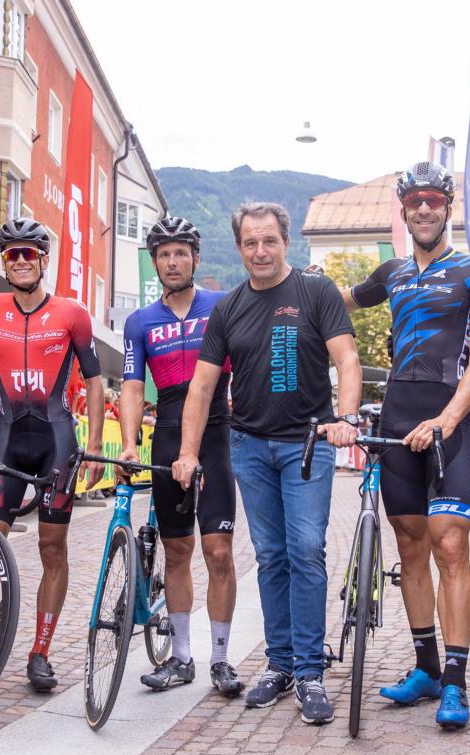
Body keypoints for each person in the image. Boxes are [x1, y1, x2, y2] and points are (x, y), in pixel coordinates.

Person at [173, 201, 361, 726]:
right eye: (250, 242)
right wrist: (188, 452)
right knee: (272, 557)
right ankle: (280, 665)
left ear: (286, 243)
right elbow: (201, 387)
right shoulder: (229, 309)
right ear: (239, 248)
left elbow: (346, 358)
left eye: (269, 241)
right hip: (250, 448)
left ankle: (309, 671)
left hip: (307, 443)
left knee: (306, 550)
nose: (260, 251)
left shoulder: (316, 292)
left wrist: (347, 416)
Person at [341, 162, 470, 729]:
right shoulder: (392, 272)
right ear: (404, 211)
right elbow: (337, 303)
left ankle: (456, 681)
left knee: (449, 546)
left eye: (434, 200)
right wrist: (292, 286)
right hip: (397, 418)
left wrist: (449, 419)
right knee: (409, 547)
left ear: (447, 207)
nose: (425, 209)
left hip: (447, 424)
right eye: (415, 202)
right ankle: (427, 668)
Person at [0, 216, 105, 693]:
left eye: (28, 254)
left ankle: (40, 653)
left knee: (51, 548)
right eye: (12, 254)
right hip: (8, 440)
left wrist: (95, 445)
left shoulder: (72, 313)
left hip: (56, 443)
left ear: (43, 261)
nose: (20, 261)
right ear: (4, 262)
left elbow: (95, 381)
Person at [119, 217, 243, 698]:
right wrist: (129, 444)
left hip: (216, 434)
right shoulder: (140, 322)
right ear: (155, 262)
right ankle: (182, 657)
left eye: (181, 253)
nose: (173, 262)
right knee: (176, 552)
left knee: (219, 552)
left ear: (196, 258)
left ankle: (221, 658)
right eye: (164, 254)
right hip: (167, 434)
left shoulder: (222, 305)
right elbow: (133, 387)